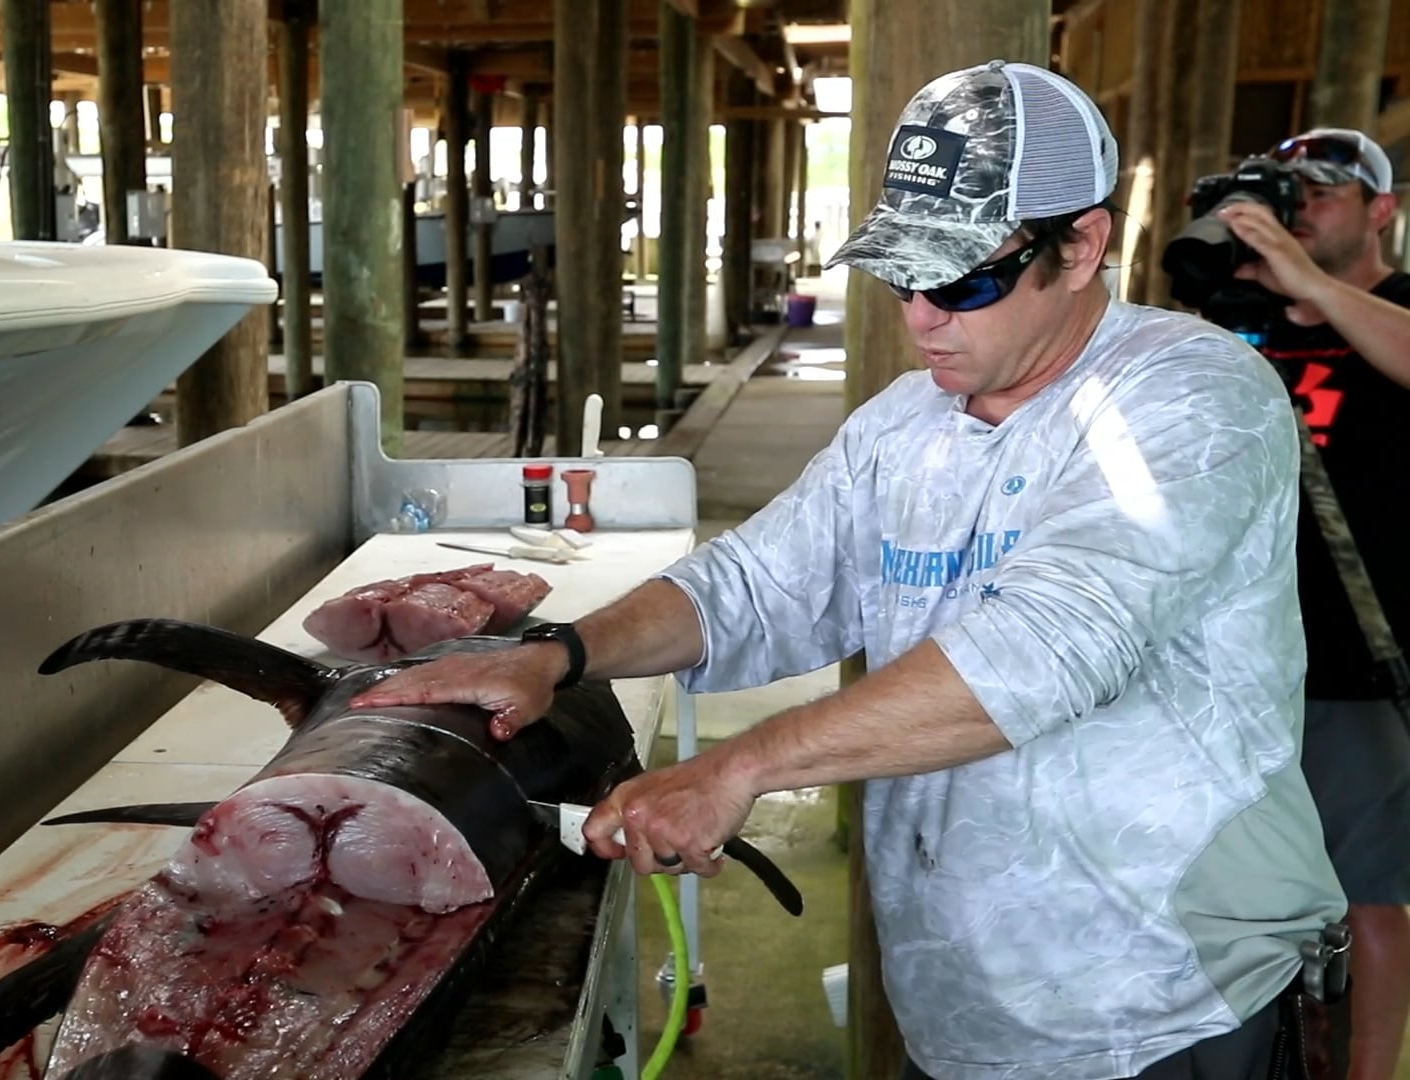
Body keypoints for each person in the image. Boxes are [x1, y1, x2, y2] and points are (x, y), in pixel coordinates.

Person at [350, 60, 1349, 1079]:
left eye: (961, 280)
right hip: (967, 1005)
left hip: (1164, 1000)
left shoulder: (1191, 398)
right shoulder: (903, 425)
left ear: (1082, 245)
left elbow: (1046, 648)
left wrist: (737, 766)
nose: (921, 317)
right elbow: (752, 583)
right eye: (903, 277)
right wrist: (558, 654)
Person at [1215, 126, 1410, 1080]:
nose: (1298, 209)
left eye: (1321, 192)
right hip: (1240, 656)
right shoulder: (1246, 315)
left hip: (1356, 655)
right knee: (1241, 883)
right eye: (1285, 193)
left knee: (1366, 888)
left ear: (1382, 210)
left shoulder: (1395, 306)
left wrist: (1310, 283)